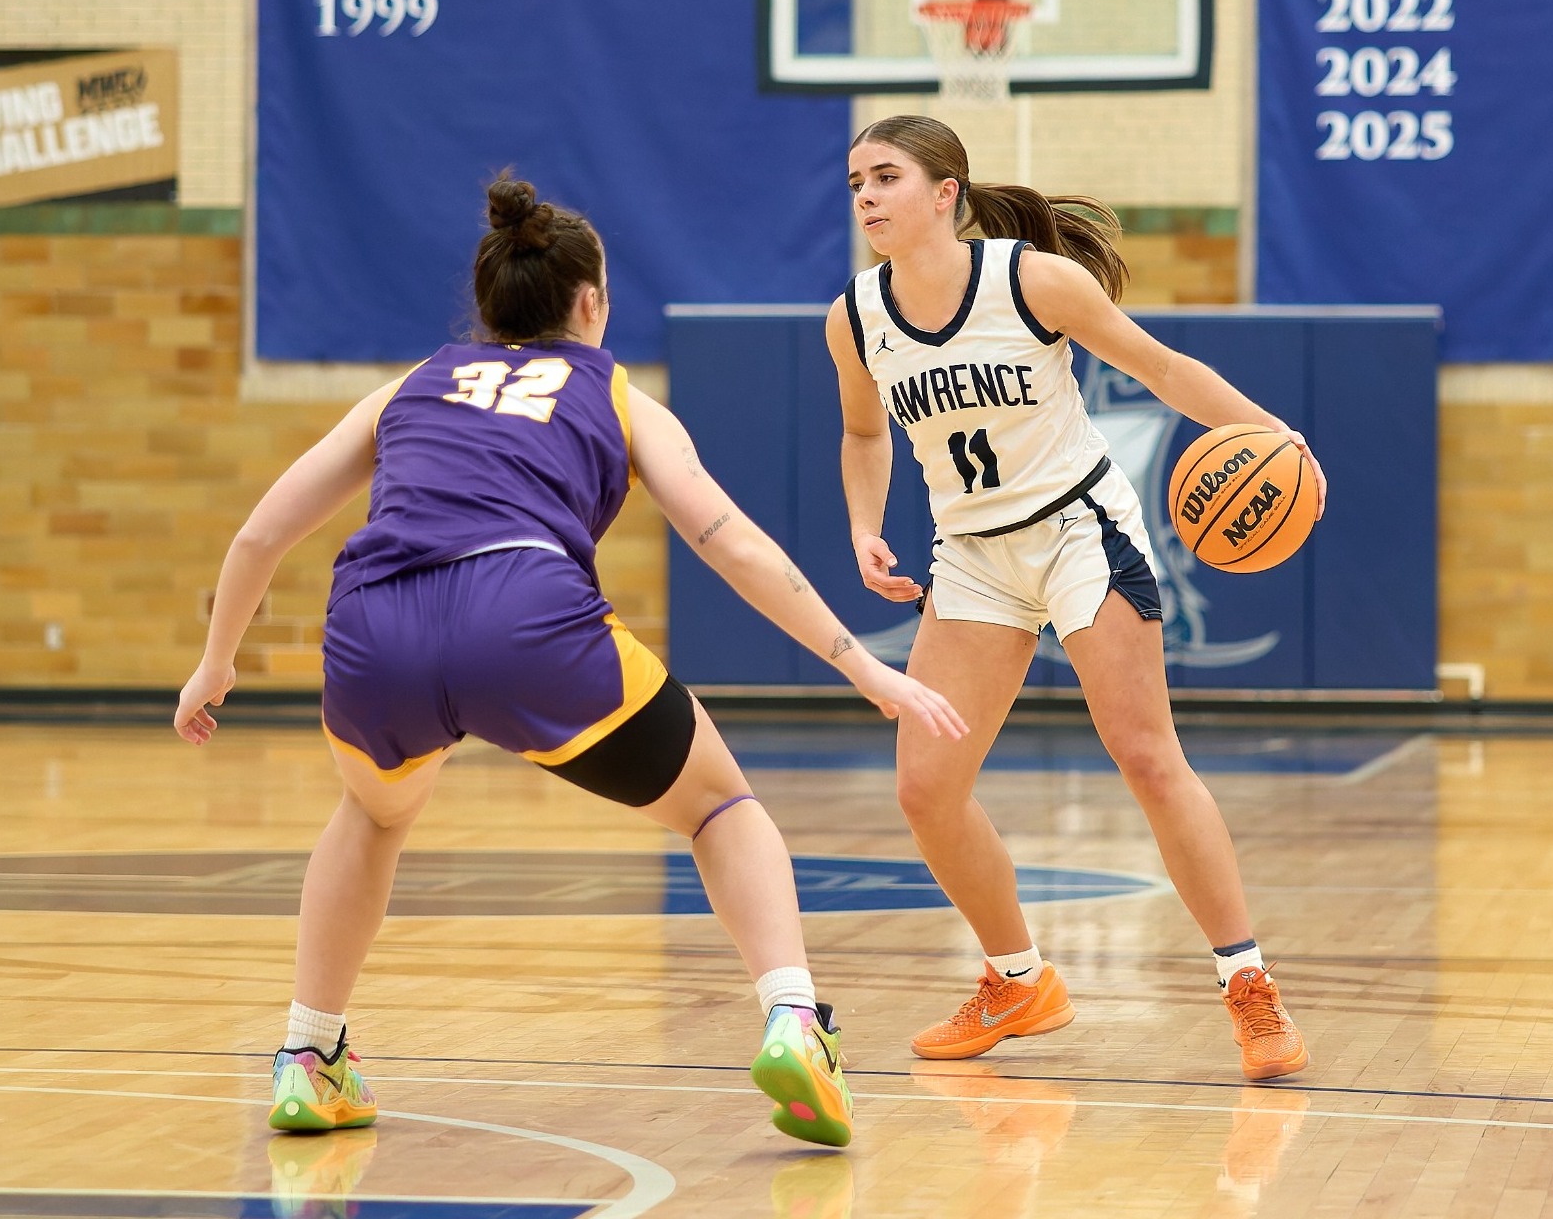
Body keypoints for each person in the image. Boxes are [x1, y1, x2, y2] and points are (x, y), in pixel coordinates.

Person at [174, 174, 966, 1148]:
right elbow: (730, 540)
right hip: (524, 613)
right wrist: (864, 666)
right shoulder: (617, 393)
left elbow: (260, 535)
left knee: (372, 815)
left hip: (374, 624)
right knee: (721, 806)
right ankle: (796, 1019)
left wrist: (216, 664)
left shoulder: (410, 384)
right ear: (591, 302)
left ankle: (307, 1053)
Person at [828, 115, 1326, 1081]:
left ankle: (1249, 986)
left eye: (885, 177)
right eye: (855, 182)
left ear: (945, 194)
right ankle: (1017, 979)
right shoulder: (854, 316)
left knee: (1145, 755)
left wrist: (1273, 433)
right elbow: (862, 435)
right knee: (926, 791)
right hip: (970, 553)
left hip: (1077, 530)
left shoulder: (1032, 280)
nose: (865, 197)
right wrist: (861, 524)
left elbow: (1166, 371)